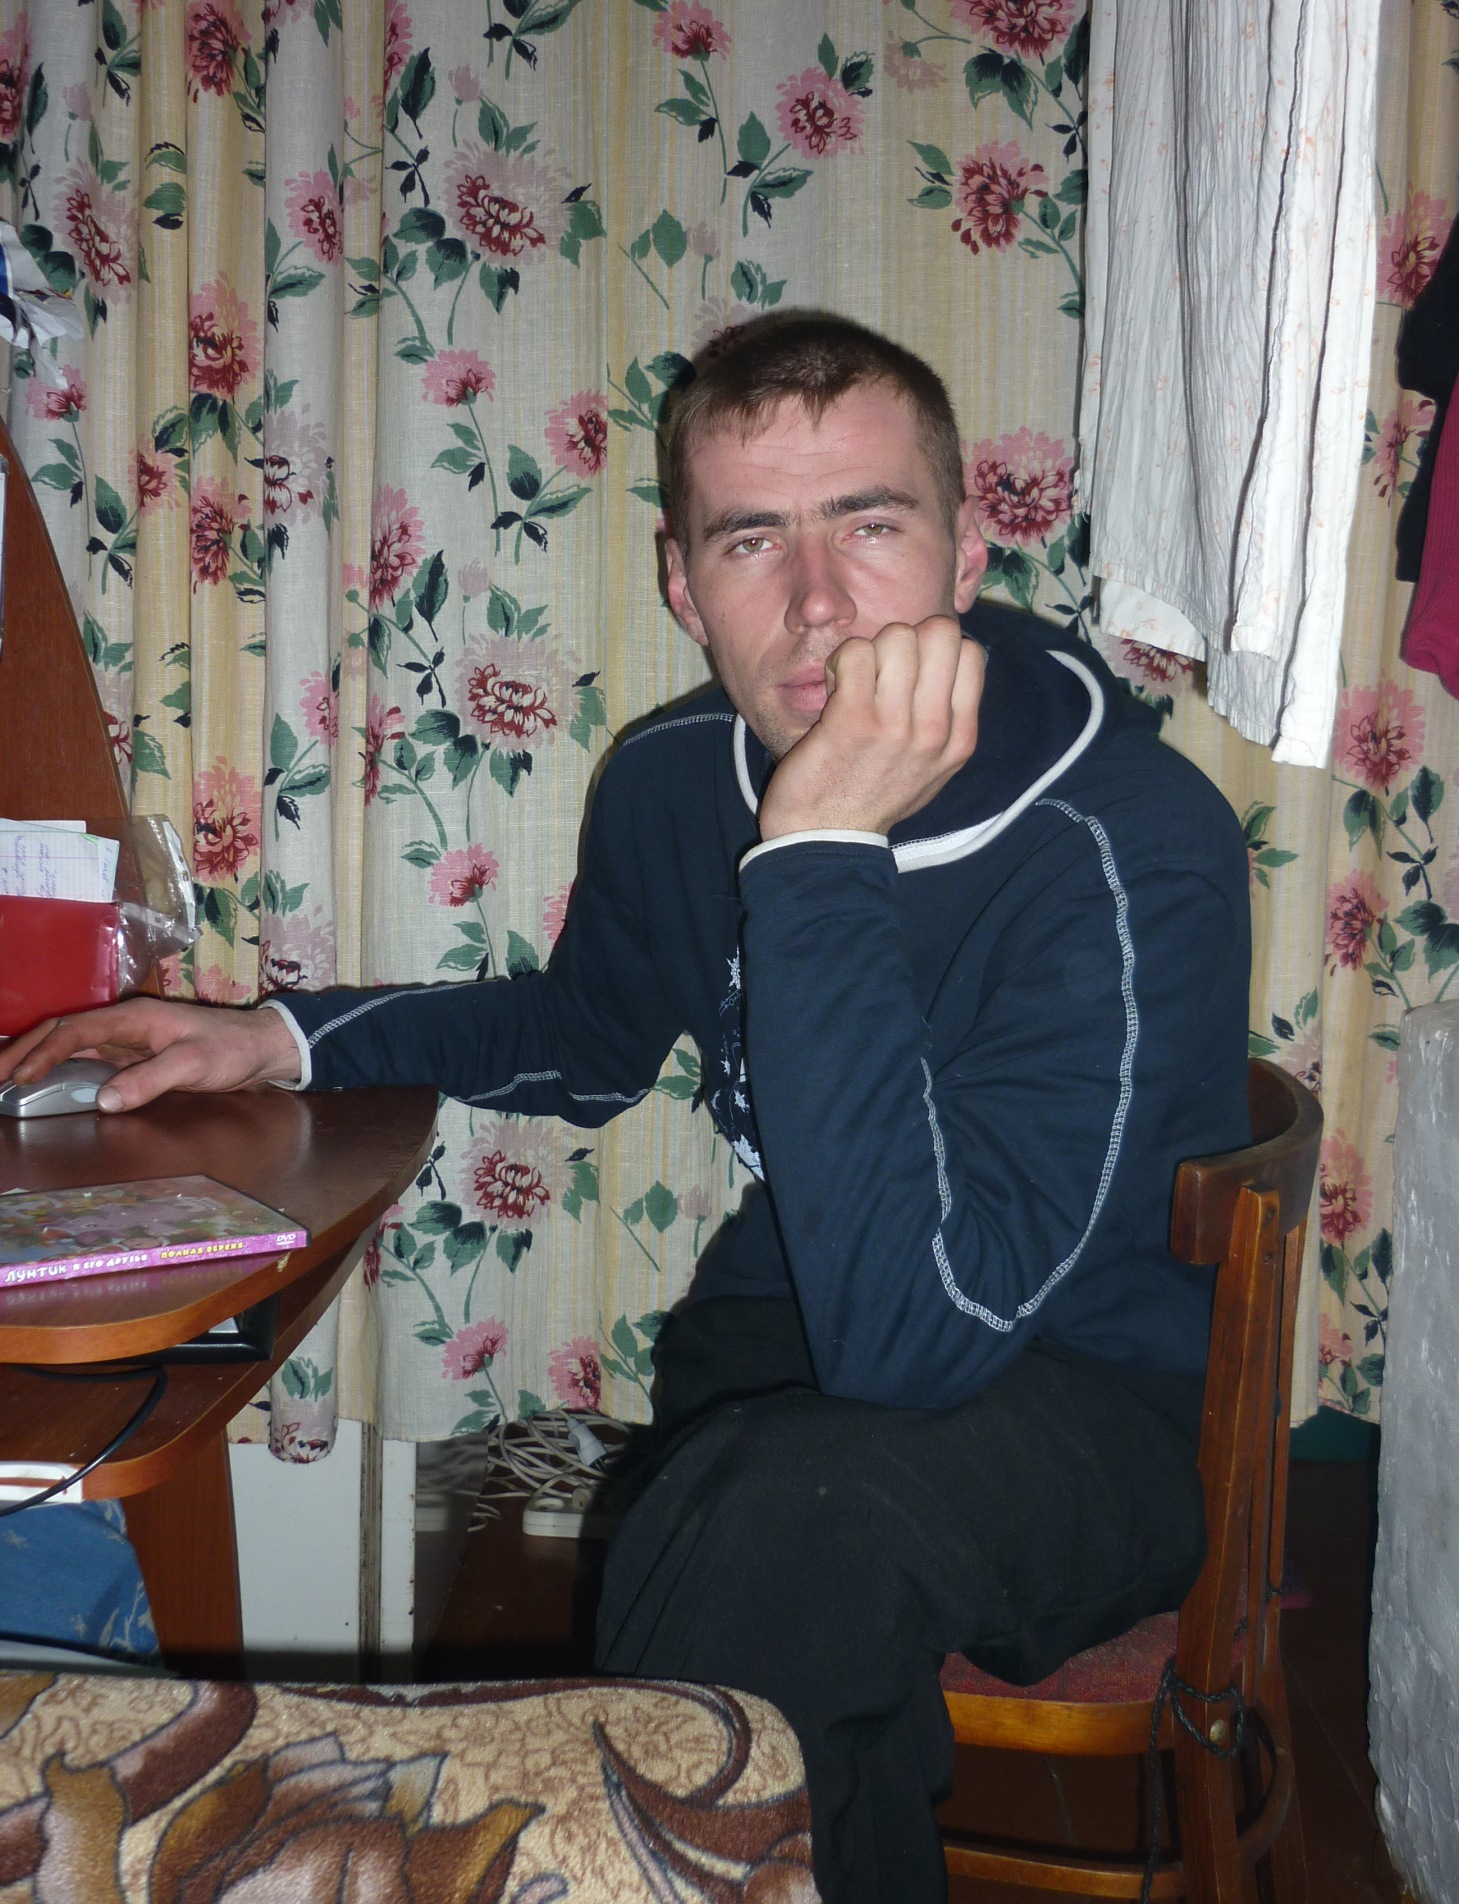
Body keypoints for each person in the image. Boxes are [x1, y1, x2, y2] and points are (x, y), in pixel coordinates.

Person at [0, 312, 1251, 1903]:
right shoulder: (674, 783)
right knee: (752, 1541)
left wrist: (819, 851)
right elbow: (583, 1042)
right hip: (786, 1343)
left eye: (870, 525)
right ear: (682, 583)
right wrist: (280, 1038)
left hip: (1091, 1396)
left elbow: (924, 1342)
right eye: (753, 540)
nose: (817, 601)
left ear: (965, 554)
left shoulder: (1126, 840)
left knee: (786, 1527)